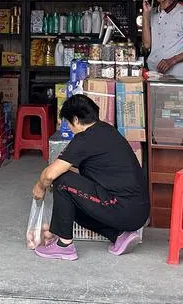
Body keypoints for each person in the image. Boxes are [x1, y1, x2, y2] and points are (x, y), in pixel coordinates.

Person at [31, 95, 150, 261]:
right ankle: (119, 235)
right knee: (75, 202)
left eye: (68, 123)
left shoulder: (85, 138)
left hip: (123, 207)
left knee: (62, 181)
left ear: (76, 119)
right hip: (136, 210)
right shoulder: (106, 130)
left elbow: (50, 174)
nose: (70, 128)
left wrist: (40, 186)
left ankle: (64, 245)